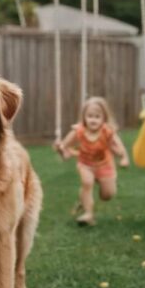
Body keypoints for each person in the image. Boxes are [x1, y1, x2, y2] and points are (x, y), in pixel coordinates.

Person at [54, 96, 129, 226]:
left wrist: (124, 158)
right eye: (90, 116)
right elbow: (64, 147)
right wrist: (60, 148)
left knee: (107, 195)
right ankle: (88, 214)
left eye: (97, 116)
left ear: (104, 118)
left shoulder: (107, 131)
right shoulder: (79, 131)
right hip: (86, 164)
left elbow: (120, 148)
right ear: (84, 117)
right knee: (87, 183)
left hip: (105, 166)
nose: (93, 119)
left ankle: (84, 200)